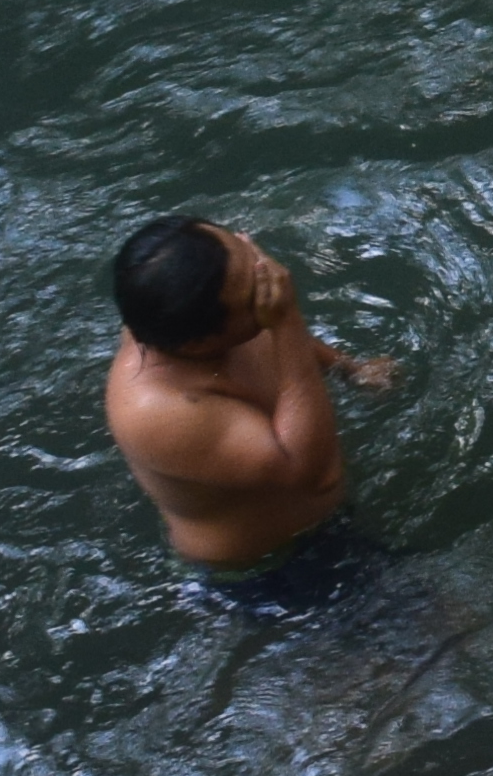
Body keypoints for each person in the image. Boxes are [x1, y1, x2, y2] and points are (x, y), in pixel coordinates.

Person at [102, 216, 398, 576]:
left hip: (321, 527)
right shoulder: (159, 410)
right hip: (272, 571)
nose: (270, 276)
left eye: (246, 248)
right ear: (199, 343)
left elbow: (271, 341)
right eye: (257, 296)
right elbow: (317, 476)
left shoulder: (199, 309)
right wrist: (286, 319)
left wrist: (352, 371)